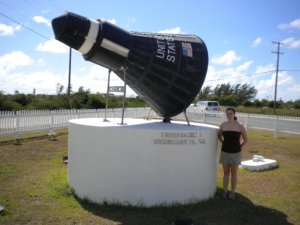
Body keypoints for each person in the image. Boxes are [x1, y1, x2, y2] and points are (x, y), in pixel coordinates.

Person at [218, 107, 247, 199]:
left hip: (236, 153)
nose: (229, 115)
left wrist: (239, 147)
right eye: (227, 113)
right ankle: (225, 191)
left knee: (234, 174)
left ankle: (232, 192)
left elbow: (246, 140)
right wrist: (224, 143)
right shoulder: (223, 125)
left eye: (231, 113)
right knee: (226, 173)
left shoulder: (240, 125)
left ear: (234, 114)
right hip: (225, 152)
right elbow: (219, 136)